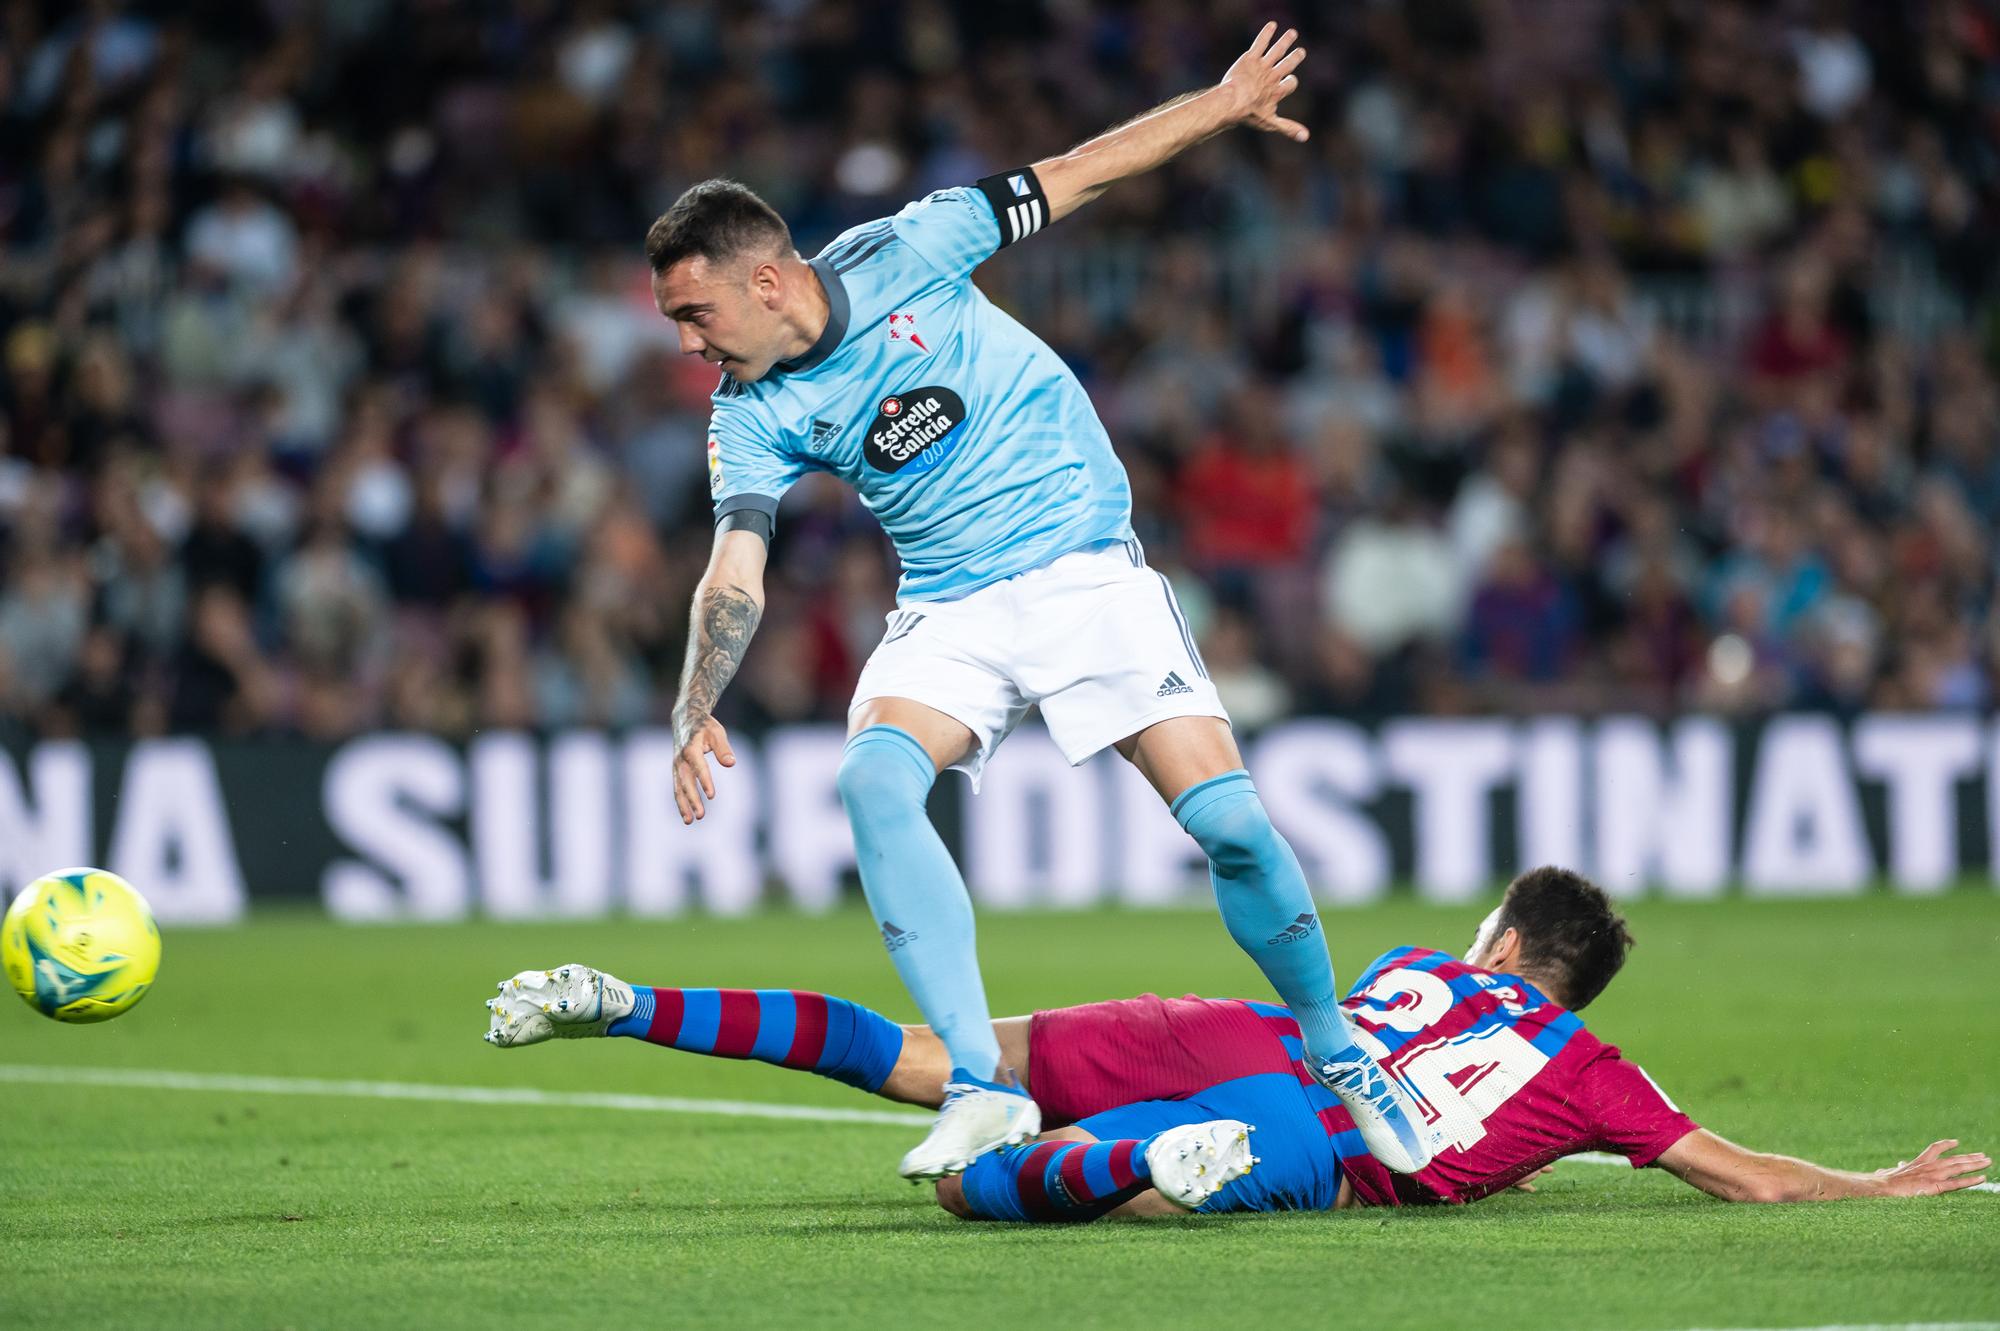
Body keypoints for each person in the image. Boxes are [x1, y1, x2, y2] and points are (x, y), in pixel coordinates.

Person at [647, 22, 1431, 1180]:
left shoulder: (911, 248)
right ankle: (978, 1081)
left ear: (766, 281)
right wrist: (694, 697)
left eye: (694, 312)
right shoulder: (746, 409)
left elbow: (1079, 169)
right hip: (950, 605)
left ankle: (1337, 1046)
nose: (686, 340)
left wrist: (1219, 105)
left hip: (1080, 572)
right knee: (871, 776)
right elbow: (735, 562)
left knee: (1227, 826)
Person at [483, 866, 1989, 1221]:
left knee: (938, 1058)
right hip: (1327, 1128)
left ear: (1509, 946)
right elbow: (1753, 1180)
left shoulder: (1413, 963)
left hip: (1219, 1026)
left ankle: (635, 1001)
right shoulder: (1596, 1073)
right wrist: (1882, 1182)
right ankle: (1140, 1163)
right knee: (987, 1186)